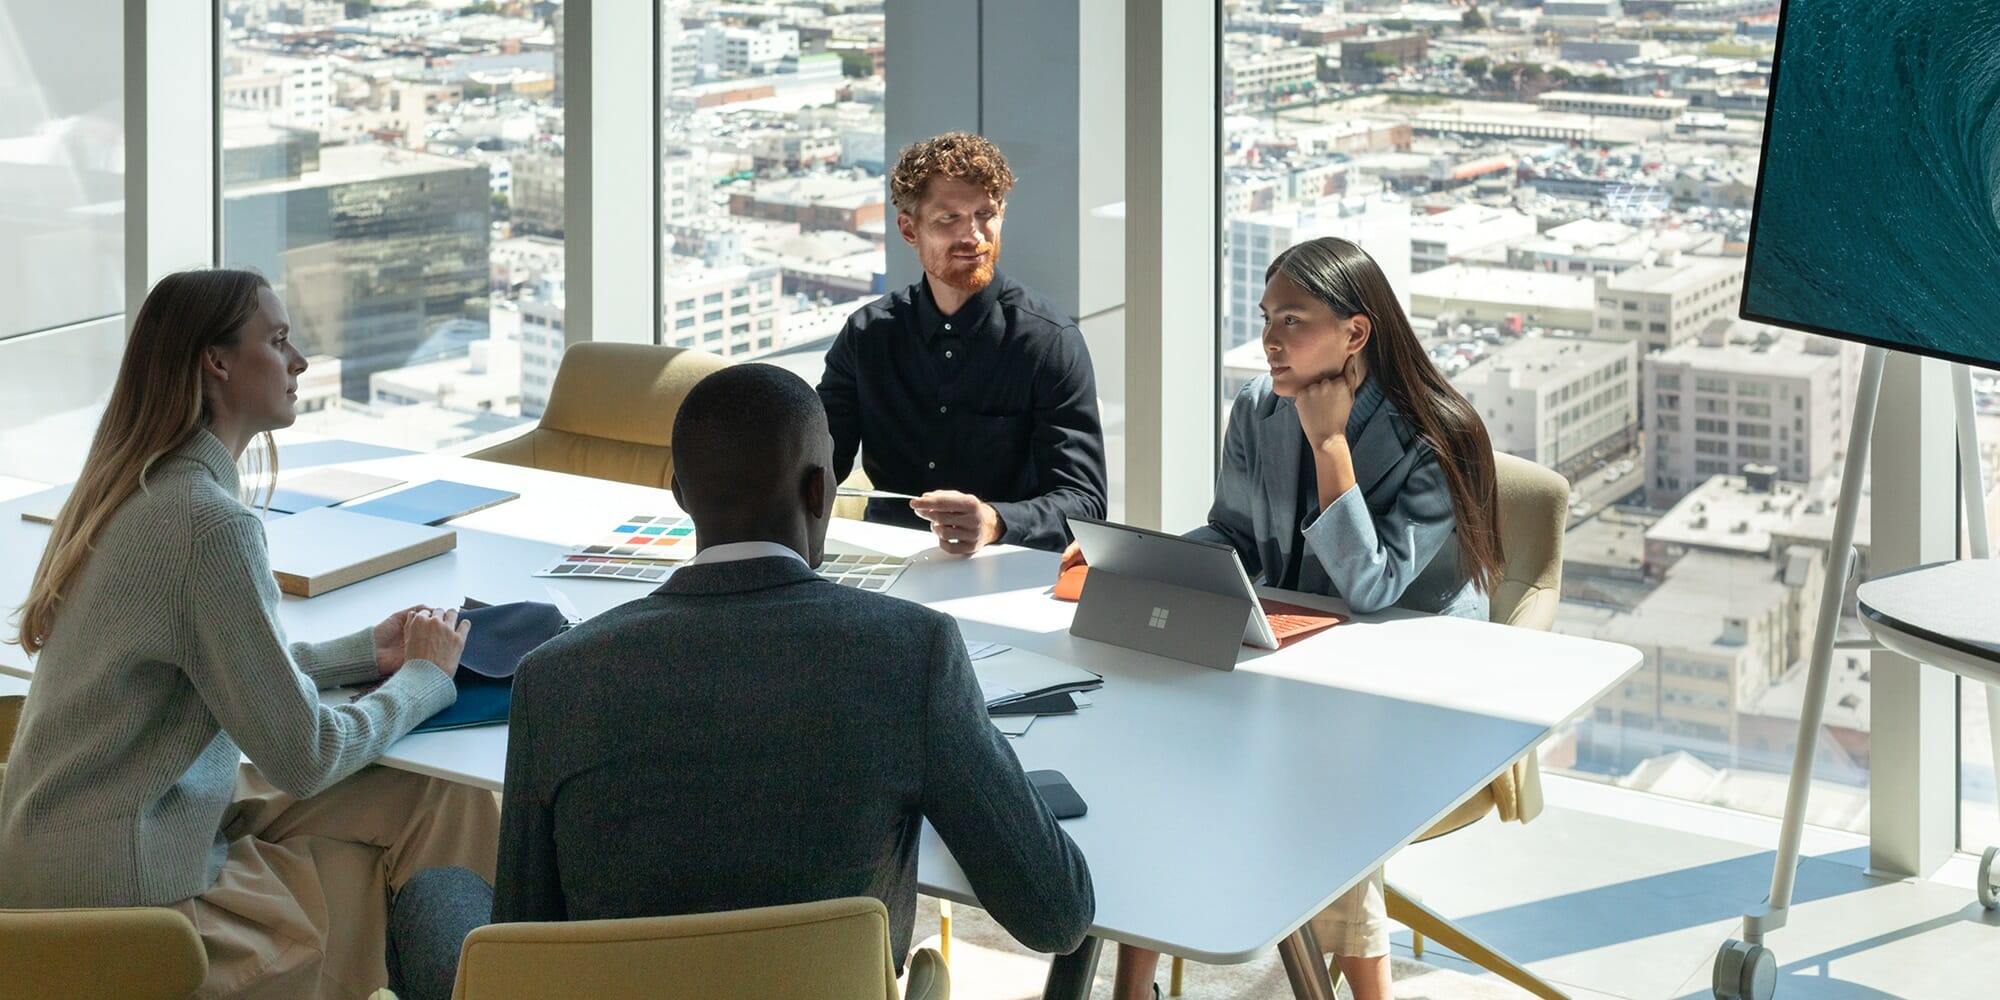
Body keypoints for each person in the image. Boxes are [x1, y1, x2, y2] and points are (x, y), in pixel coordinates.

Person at [384, 363, 1095, 1000]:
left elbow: (526, 942)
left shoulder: (558, 677)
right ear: (819, 489)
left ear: (679, 495)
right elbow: (1055, 915)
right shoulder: (913, 652)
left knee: (437, 893)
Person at [0, 269, 498, 1000]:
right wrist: (426, 680)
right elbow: (306, 753)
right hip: (126, 891)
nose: (298, 362)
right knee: (425, 810)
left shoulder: (138, 485)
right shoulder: (209, 525)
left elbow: (208, 669)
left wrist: (366, 653)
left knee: (437, 798)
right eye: (278, 340)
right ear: (218, 361)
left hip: (69, 839)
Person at [1081, 237, 1504, 1000]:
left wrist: (1330, 442)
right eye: (1266, 317)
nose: (1271, 340)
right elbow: (1236, 536)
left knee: (1321, 796)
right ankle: (1128, 985)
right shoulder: (1256, 408)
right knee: (1159, 755)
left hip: (1414, 693)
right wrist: (1154, 561)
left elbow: (1373, 590)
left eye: (1294, 321)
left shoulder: (1438, 436)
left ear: (1356, 332)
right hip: (1302, 668)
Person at [818, 131, 1107, 555]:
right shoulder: (867, 336)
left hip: (1007, 566)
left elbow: (1086, 504)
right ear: (908, 229)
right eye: (948, 218)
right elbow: (815, 464)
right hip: (886, 561)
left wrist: (995, 520)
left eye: (985, 213)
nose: (973, 236)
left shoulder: (1050, 343)